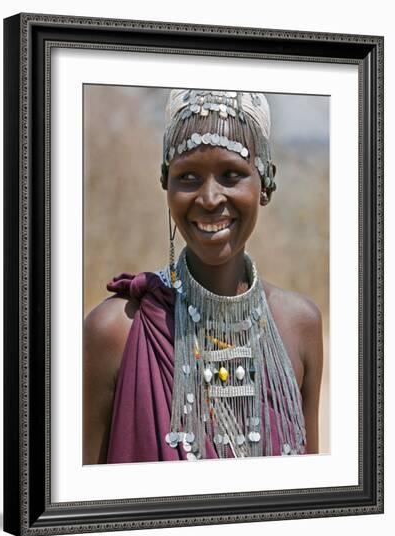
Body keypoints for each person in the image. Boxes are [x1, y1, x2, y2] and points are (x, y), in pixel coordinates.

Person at [83, 89, 323, 465]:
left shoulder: (300, 326)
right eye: (189, 176)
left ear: (266, 183)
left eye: (231, 175)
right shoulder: (116, 331)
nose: (210, 198)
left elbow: (311, 500)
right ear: (166, 184)